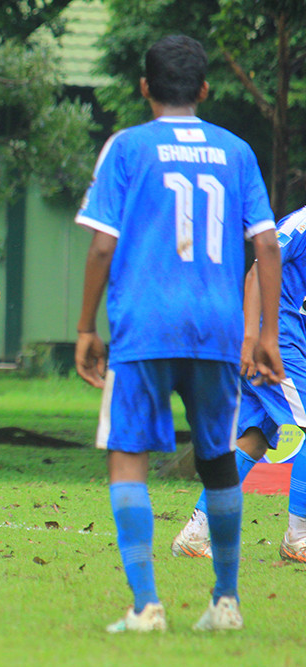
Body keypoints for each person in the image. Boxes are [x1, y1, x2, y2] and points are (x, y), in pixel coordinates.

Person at [74, 35, 283, 633]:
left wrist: (87, 326)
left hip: (145, 324)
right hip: (218, 328)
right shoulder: (236, 150)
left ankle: (146, 607)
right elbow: (266, 244)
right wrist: (264, 332)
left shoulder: (128, 146)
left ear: (144, 88)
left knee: (128, 456)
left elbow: (101, 245)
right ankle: (225, 601)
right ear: (205, 90)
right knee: (219, 458)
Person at [172, 204, 306, 564]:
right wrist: (253, 339)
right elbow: (257, 271)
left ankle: (197, 531)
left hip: (290, 343)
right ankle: (299, 538)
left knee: (255, 438)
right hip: (276, 341)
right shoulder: (301, 223)